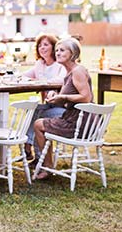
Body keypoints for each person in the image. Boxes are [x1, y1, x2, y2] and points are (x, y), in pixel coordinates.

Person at [33, 37, 93, 179]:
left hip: (78, 122)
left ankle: (47, 166)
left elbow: (86, 97)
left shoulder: (77, 71)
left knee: (38, 123)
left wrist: (63, 97)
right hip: (75, 118)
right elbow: (71, 95)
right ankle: (44, 163)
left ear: (72, 53)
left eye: (62, 50)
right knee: (41, 117)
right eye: (57, 50)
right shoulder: (70, 72)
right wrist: (57, 95)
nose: (58, 53)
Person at [21, 33, 67, 160]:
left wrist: (42, 82)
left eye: (46, 45)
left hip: (63, 107)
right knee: (32, 110)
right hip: (49, 104)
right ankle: (30, 149)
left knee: (38, 115)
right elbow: (24, 76)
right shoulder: (40, 64)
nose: (42, 48)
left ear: (53, 47)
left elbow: (61, 79)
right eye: (40, 45)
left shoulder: (60, 64)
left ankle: (31, 150)